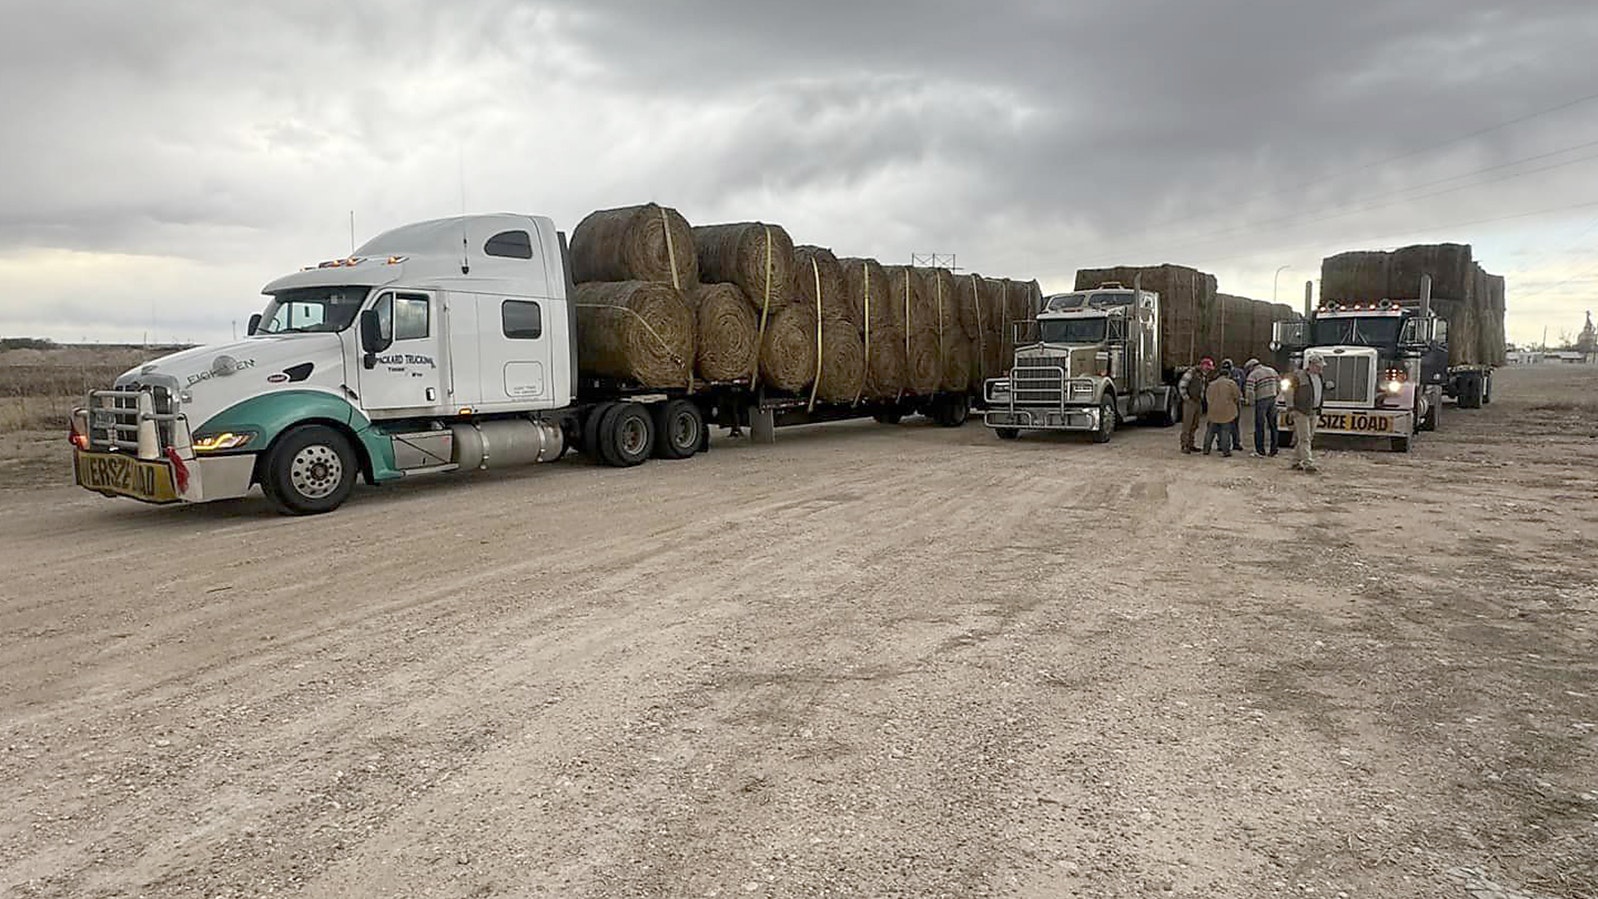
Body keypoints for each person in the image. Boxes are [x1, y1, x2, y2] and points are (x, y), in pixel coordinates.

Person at [1283, 353, 1326, 472]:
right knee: (1305, 438)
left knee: (1307, 437)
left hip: (1314, 411)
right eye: (1318, 366)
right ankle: (1308, 463)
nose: (1320, 368)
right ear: (1311, 365)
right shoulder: (1299, 376)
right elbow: (1289, 392)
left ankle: (1295, 461)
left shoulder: (1320, 377)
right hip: (1301, 411)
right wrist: (1291, 408)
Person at [1203, 360, 1242, 457]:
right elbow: (1237, 396)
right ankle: (1226, 451)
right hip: (1226, 412)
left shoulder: (1211, 384)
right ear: (1228, 375)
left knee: (1210, 431)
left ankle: (1206, 449)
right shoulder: (1231, 383)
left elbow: (1207, 397)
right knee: (1225, 431)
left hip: (1213, 411)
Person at [1243, 357, 1280, 457]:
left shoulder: (1253, 375)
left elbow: (1250, 391)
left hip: (1261, 400)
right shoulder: (1272, 370)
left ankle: (1260, 450)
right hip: (1272, 398)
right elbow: (1279, 384)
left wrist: (1251, 402)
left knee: (1260, 425)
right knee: (1273, 425)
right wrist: (1276, 394)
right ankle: (1274, 450)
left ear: (1251, 367)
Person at [1177, 357, 1214, 454]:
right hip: (1190, 401)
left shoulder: (1203, 376)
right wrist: (1186, 398)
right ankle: (1184, 445)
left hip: (1198, 401)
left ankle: (1191, 444)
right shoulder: (1191, 372)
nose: (1209, 370)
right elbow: (1182, 385)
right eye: (1208, 368)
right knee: (1187, 424)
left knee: (1195, 424)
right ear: (1204, 366)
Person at [1222, 358, 1244, 451]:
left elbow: (1244, 384)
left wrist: (1243, 396)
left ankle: (1236, 443)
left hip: (1235, 401)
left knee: (1235, 423)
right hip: (1224, 401)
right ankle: (1222, 444)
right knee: (1223, 423)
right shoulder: (1221, 374)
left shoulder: (1239, 373)